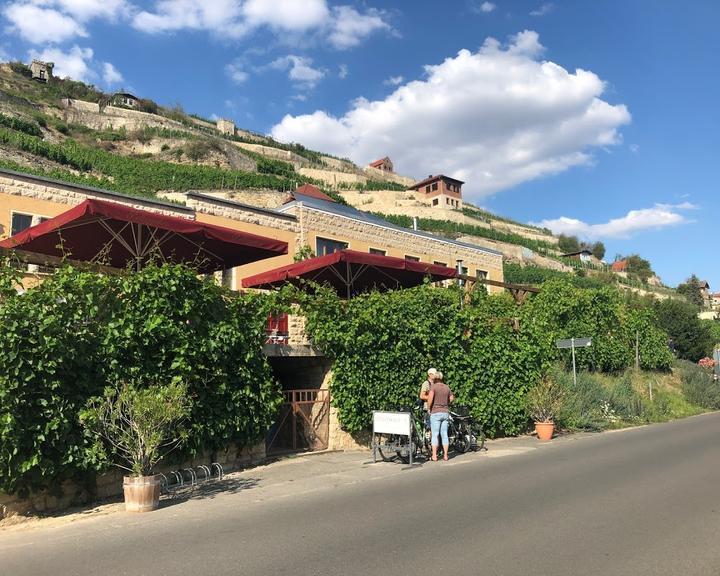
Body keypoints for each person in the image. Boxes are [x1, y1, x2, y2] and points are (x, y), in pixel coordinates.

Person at [427, 371, 454, 461]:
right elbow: (451, 398)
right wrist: (446, 403)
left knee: (435, 434)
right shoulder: (446, 387)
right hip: (445, 412)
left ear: (435, 379)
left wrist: (428, 408)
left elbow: (430, 399)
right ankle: (446, 455)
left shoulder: (433, 387)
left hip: (436, 412)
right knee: (444, 434)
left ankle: (434, 456)